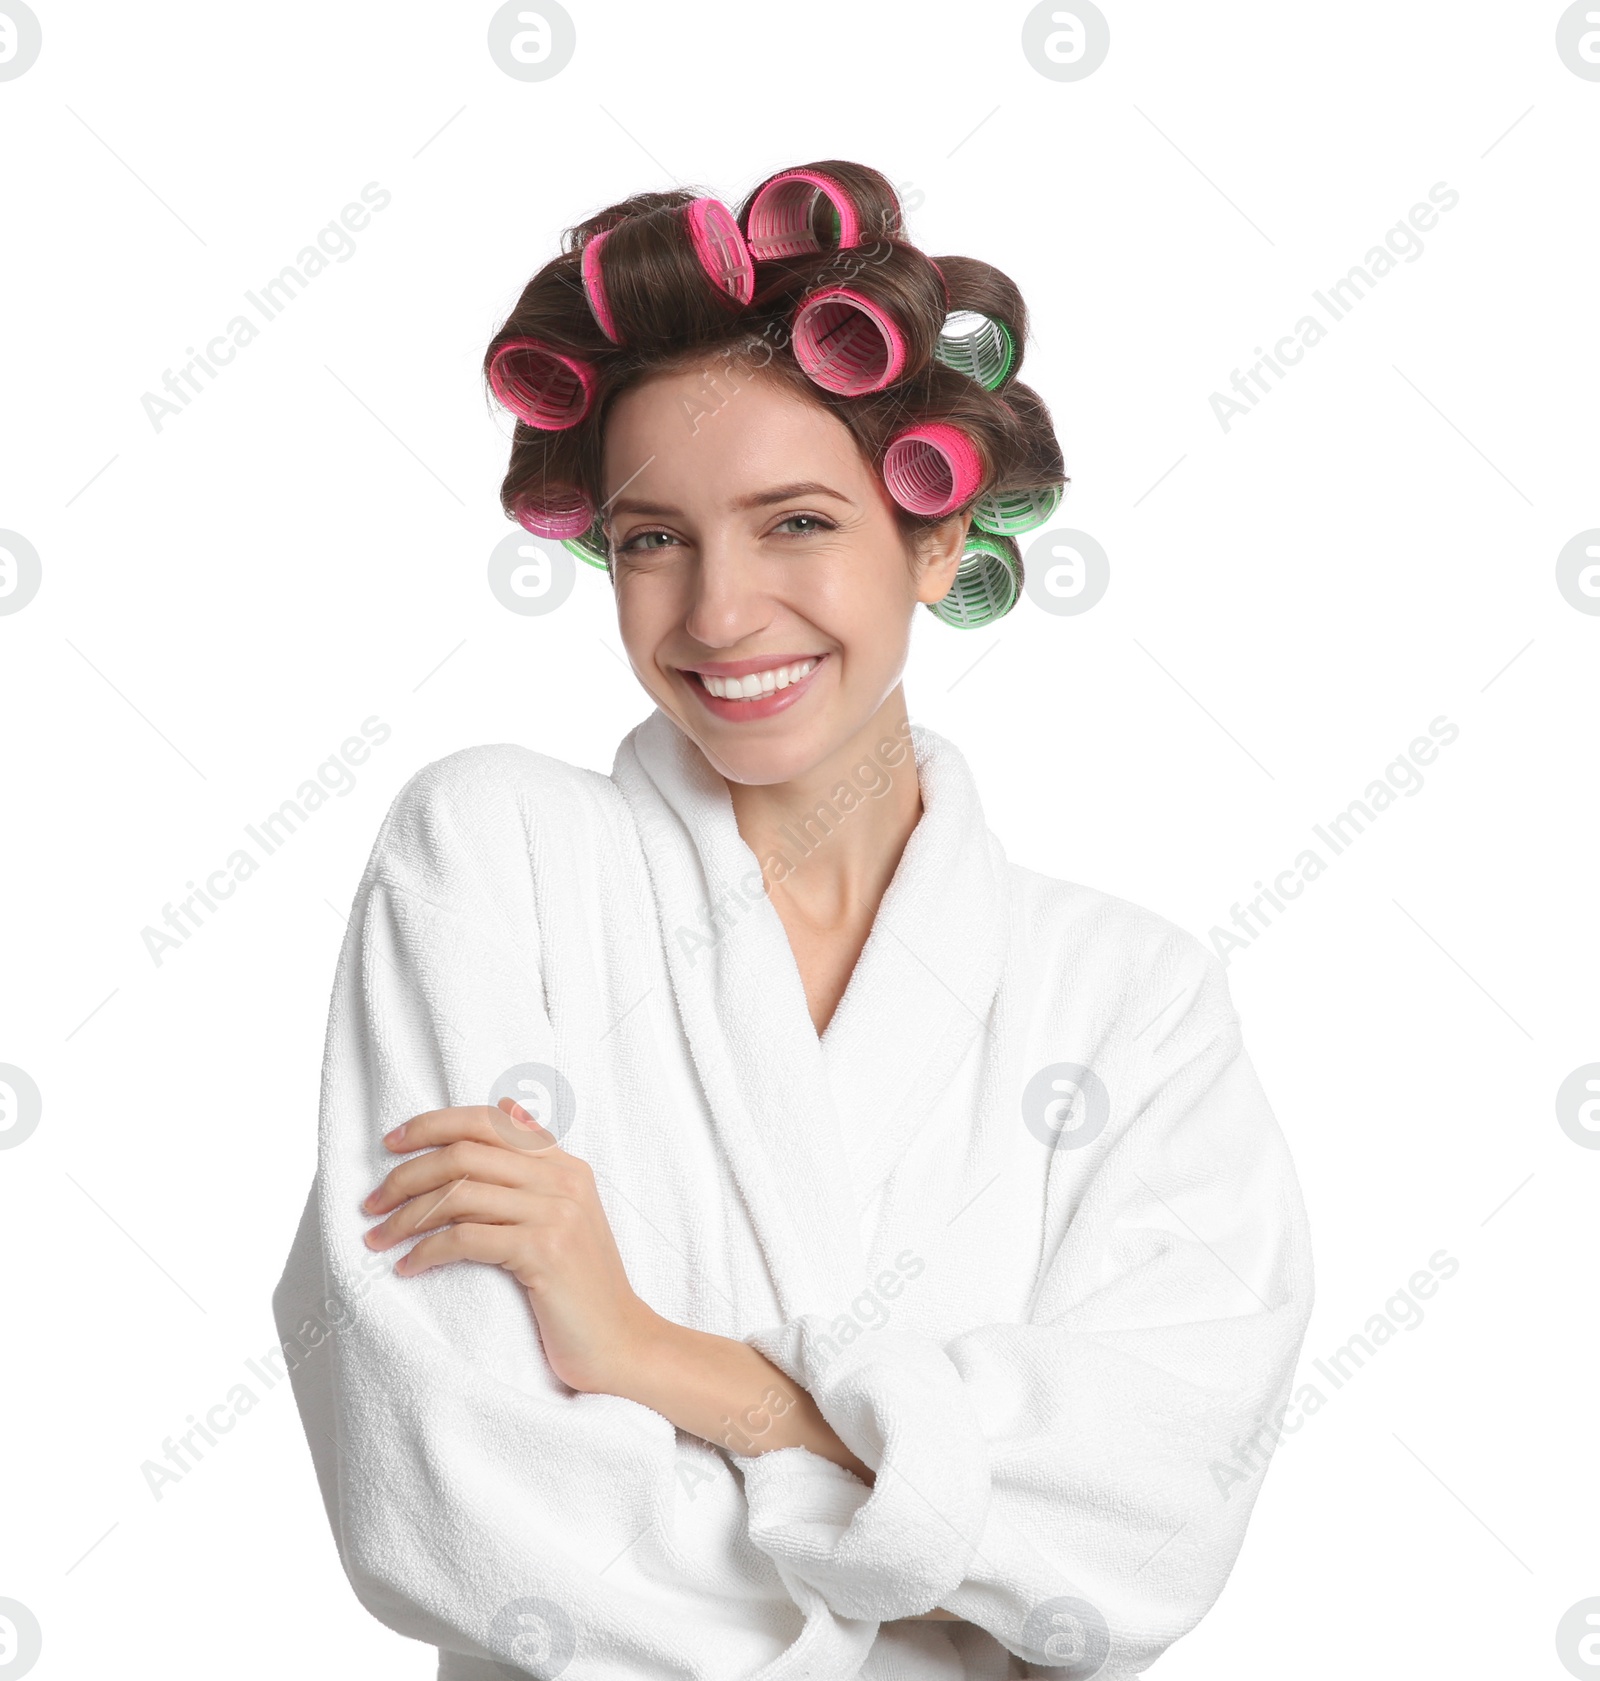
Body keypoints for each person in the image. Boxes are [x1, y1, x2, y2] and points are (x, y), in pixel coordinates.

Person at [273, 159, 1315, 1680]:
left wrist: (657, 1356)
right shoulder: (492, 855)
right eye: (651, 540)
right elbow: (456, 1496)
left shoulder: (1130, 1002)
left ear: (939, 539)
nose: (717, 614)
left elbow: (1149, 1523)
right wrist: (939, 1568)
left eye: (798, 522)